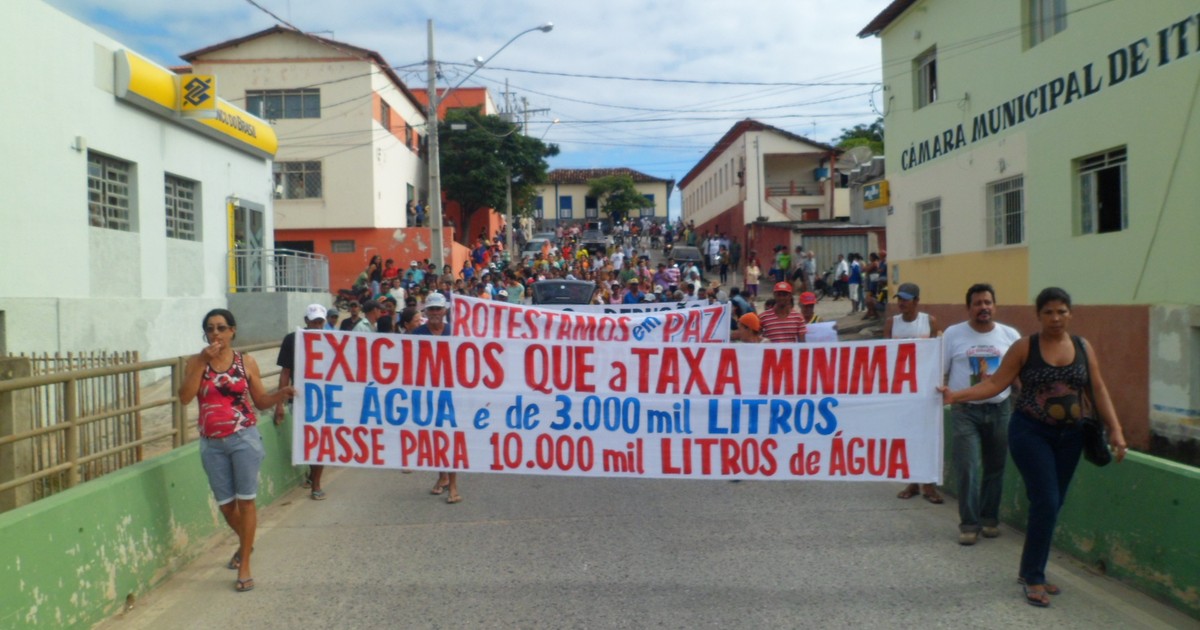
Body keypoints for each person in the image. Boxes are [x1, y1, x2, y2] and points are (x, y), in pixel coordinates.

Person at [941, 287, 1127, 607]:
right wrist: (955, 396)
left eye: (1062, 311)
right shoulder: (1025, 347)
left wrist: (1116, 429)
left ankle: (1030, 570)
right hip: (1031, 433)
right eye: (1048, 312)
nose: (1056, 318)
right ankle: (1034, 577)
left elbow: (1097, 389)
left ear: (1070, 313)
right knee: (1046, 499)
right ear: (1038, 315)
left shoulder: (1083, 346)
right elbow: (994, 383)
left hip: (1072, 437)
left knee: (1052, 505)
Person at [179, 308, 294, 593]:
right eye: (210, 328)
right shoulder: (195, 362)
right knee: (226, 505)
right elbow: (184, 397)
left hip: (244, 439)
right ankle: (247, 542)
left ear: (233, 331)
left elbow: (260, 401)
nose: (215, 333)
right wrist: (201, 363)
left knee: (246, 502)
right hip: (211, 443)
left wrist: (280, 396)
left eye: (221, 328)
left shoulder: (246, 363)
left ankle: (244, 564)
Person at [941, 284, 1022, 545]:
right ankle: (969, 524)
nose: (983, 307)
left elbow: (1019, 376)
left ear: (994, 306)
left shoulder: (1010, 336)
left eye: (988, 302)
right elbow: (940, 371)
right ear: (969, 308)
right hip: (965, 411)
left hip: (1001, 410)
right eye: (977, 303)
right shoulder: (953, 335)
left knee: (995, 468)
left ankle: (989, 519)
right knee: (968, 468)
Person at [887, 282, 944, 504]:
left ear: (916, 301)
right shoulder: (892, 323)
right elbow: (885, 356)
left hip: (925, 389)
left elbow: (938, 353)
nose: (901, 302)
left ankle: (928, 484)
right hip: (902, 391)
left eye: (906, 299)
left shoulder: (928, 322)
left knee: (928, 436)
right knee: (908, 436)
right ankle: (912, 482)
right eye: (899, 298)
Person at [411, 293, 462, 504]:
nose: (434, 313)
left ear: (445, 311)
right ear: (426, 312)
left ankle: (453, 486)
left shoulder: (456, 332)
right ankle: (441, 476)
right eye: (431, 309)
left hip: (452, 394)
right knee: (436, 439)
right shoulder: (416, 334)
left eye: (437, 309)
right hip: (427, 395)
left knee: (450, 438)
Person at [274, 304, 329, 500]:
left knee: (319, 439)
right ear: (306, 321)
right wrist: (280, 402)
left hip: (323, 398)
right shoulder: (292, 340)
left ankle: (316, 483)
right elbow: (286, 372)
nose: (316, 325)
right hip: (299, 397)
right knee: (306, 439)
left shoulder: (331, 340)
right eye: (313, 321)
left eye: (320, 321)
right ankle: (311, 475)